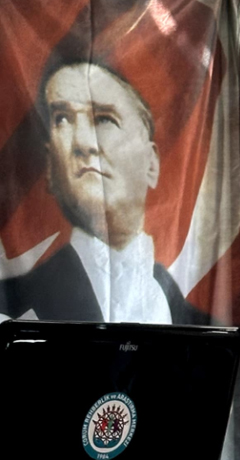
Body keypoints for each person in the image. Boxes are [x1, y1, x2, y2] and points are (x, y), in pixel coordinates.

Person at [0, 60, 209, 325]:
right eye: (62, 119)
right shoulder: (9, 308)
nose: (83, 143)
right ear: (50, 167)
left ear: (151, 164)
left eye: (104, 119)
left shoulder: (207, 328)